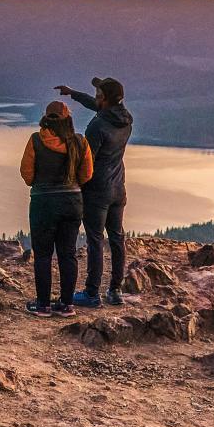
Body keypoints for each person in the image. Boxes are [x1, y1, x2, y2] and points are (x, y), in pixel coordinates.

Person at [56, 77, 134, 307]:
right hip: (118, 188)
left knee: (95, 240)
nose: (96, 98)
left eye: (99, 95)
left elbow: (85, 159)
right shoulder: (125, 120)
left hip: (98, 191)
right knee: (117, 238)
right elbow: (100, 107)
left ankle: (91, 294)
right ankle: (115, 290)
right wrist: (74, 93)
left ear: (106, 100)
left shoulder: (98, 126)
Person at [20, 101, 93, 318]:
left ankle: (43, 305)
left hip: (43, 203)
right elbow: (87, 174)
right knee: (67, 254)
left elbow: (27, 175)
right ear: (68, 118)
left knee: (43, 254)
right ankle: (66, 304)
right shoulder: (80, 142)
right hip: (72, 203)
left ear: (46, 117)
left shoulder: (36, 140)